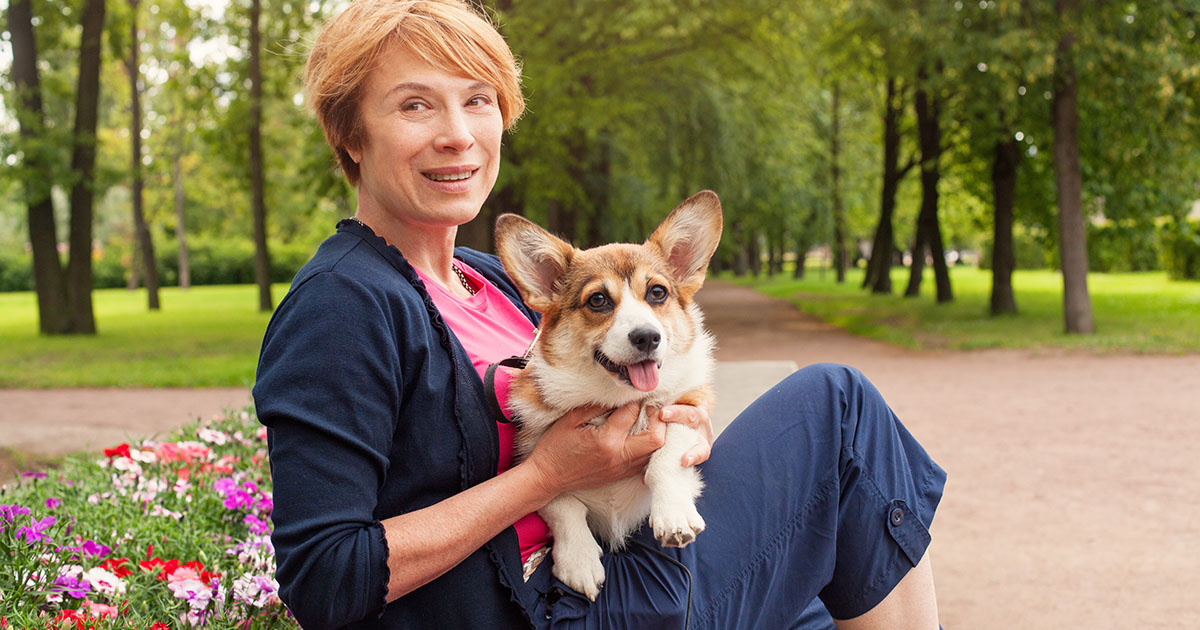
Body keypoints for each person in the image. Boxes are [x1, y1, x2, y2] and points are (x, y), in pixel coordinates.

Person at [252, 1, 946, 629]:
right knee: (840, 410)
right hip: (551, 609)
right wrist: (546, 478)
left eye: (477, 100)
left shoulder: (486, 278)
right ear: (348, 132)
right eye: (415, 106)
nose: (458, 134)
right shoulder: (342, 307)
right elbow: (324, 579)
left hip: (628, 552)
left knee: (823, 596)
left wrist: (680, 422)